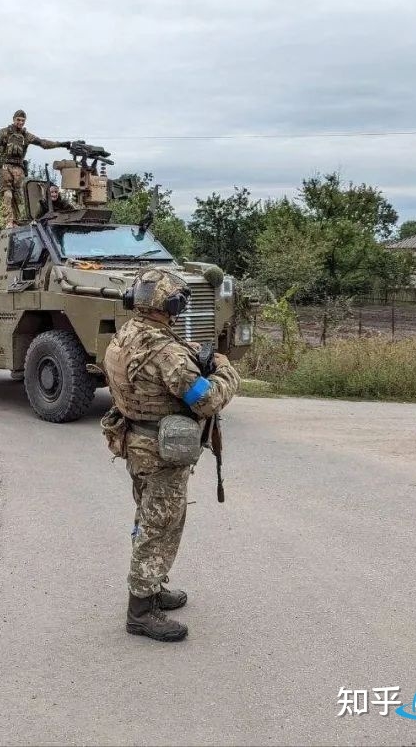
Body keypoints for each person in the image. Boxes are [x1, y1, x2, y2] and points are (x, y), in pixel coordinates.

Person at [102, 268, 241, 642]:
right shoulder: (165, 352)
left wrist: (191, 356)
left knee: (149, 516)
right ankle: (141, 611)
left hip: (136, 444)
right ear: (172, 304)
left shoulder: (127, 335)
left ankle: (152, 584)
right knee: (159, 524)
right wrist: (226, 372)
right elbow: (205, 399)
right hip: (161, 454)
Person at [0, 110, 70, 228]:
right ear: (13, 119)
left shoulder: (26, 136)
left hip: (18, 168)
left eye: (22, 120)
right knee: (7, 194)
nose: (20, 122)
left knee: (17, 196)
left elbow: (43, 143)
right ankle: (8, 221)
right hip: (5, 166)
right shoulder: (4, 132)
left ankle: (16, 221)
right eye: (18, 120)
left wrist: (61, 144)